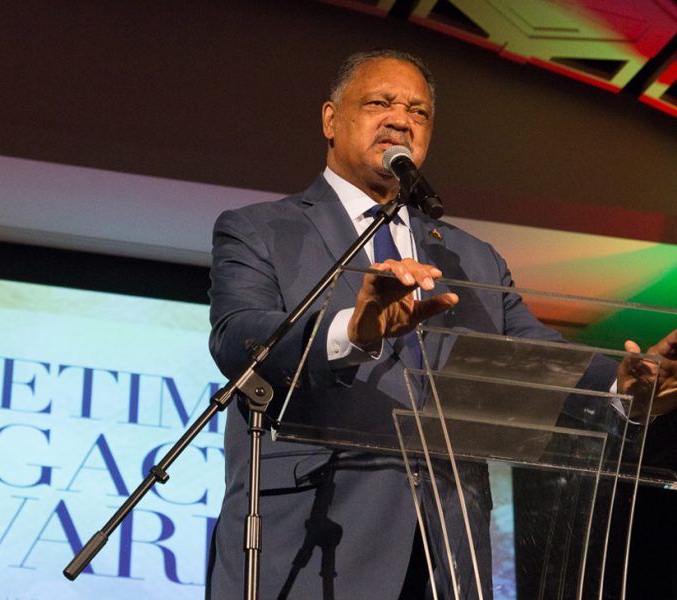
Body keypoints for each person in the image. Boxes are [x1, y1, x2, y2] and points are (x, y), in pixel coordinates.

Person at [205, 49, 677, 599]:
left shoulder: (472, 259)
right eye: (379, 103)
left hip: (447, 554)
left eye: (418, 111)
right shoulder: (260, 230)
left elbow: (540, 356)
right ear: (331, 119)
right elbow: (239, 338)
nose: (400, 119)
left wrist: (624, 385)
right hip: (313, 543)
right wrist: (355, 331)